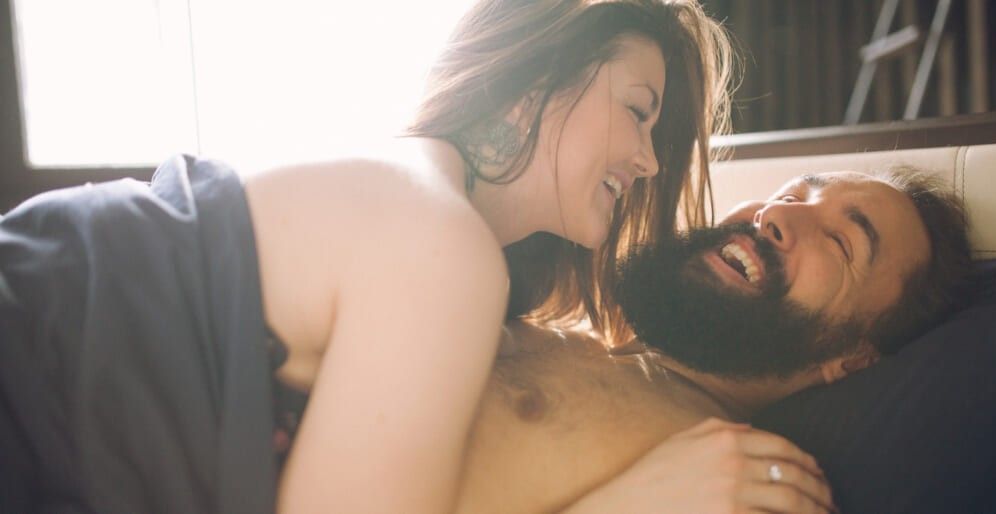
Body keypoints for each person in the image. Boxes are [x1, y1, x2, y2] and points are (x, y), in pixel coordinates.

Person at [0, 1, 764, 513]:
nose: (649, 162)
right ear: (538, 79)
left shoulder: (424, 212)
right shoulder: (436, 242)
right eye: (638, 111)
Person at [450, 169, 971, 513]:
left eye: (840, 243)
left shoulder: (736, 484)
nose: (776, 215)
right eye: (789, 195)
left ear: (853, 357)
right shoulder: (558, 321)